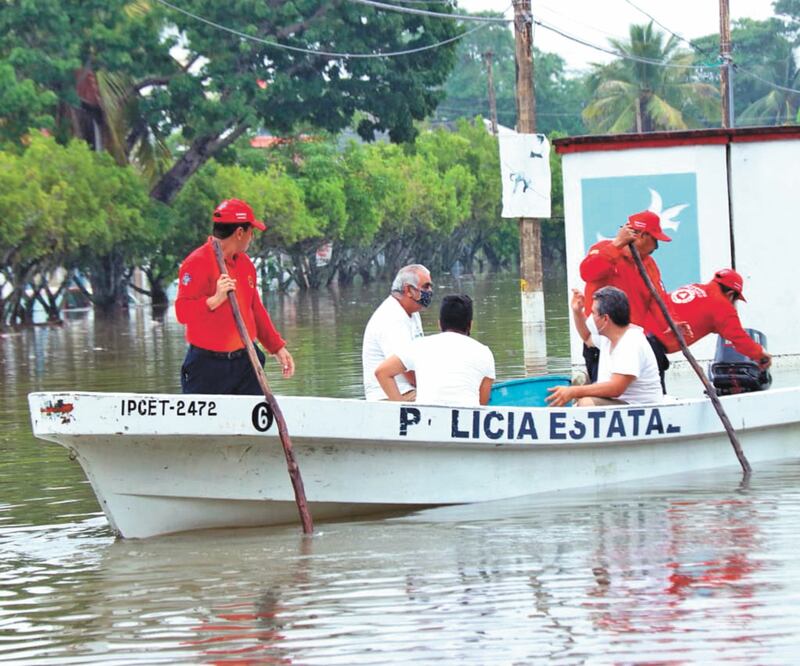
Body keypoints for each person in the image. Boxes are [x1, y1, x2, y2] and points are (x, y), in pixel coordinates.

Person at [175, 198, 295, 394]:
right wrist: (213, 300)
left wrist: (277, 348)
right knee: (204, 425)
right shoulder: (196, 263)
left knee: (251, 422)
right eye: (251, 231)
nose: (252, 237)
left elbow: (255, 309)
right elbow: (182, 313)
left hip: (246, 362)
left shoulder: (245, 264)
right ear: (240, 232)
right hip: (207, 367)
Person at [579, 209, 675, 391]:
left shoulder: (649, 264)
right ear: (642, 236)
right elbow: (587, 272)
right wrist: (617, 245)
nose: (656, 247)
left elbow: (658, 300)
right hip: (602, 340)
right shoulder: (604, 249)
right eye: (655, 240)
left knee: (650, 391)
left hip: (634, 342)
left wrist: (671, 323)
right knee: (603, 394)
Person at [547, 286, 662, 407]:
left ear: (605, 318)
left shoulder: (631, 342)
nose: (590, 318)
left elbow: (616, 388)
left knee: (586, 403)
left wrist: (573, 392)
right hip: (617, 403)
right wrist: (577, 312)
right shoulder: (608, 336)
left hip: (637, 406)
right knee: (577, 381)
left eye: (593, 313)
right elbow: (587, 338)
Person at [374, 294, 495, 406]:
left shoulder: (420, 346)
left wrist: (402, 410)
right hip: (464, 425)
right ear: (470, 325)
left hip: (427, 422)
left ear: (439, 324)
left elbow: (382, 372)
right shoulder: (484, 353)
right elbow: (481, 404)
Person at [652, 268, 772, 368]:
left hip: (638, 333)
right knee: (653, 393)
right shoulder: (722, 306)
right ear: (730, 294)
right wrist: (760, 354)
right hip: (652, 345)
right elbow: (738, 337)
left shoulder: (694, 286)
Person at [362, 264, 433, 401]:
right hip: (392, 396)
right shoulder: (392, 318)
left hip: (411, 390)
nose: (430, 291)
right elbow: (409, 373)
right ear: (408, 290)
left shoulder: (412, 312)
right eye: (425, 286)